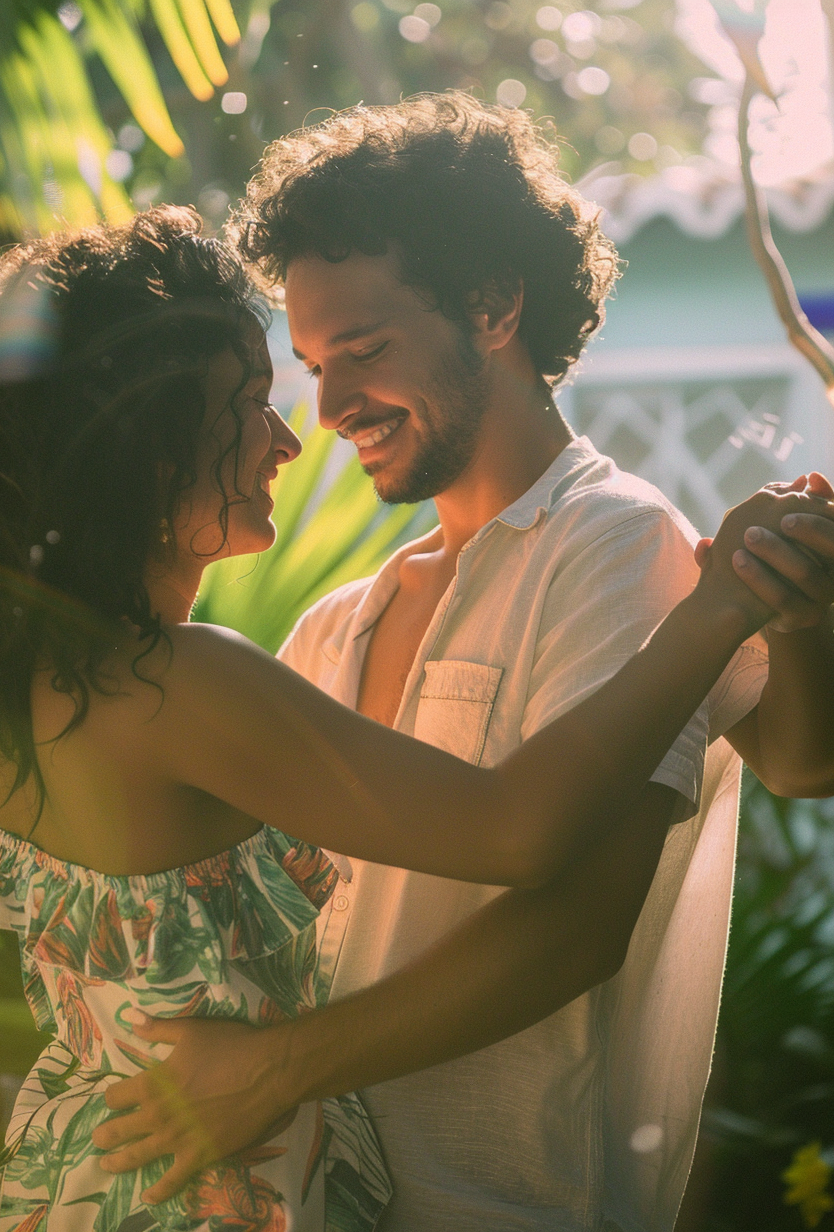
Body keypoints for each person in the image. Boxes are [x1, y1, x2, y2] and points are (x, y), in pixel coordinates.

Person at [91, 97, 834, 1232]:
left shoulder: (614, 543)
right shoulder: (335, 622)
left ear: (493, 305)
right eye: (309, 365)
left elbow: (577, 922)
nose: (329, 407)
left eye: (366, 351)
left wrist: (279, 1066)